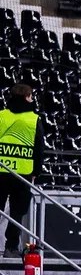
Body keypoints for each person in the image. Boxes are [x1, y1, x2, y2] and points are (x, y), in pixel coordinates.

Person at [0, 80, 41, 259]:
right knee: (17, 213)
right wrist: (36, 171)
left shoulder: (1, 115)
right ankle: (11, 247)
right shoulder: (34, 119)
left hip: (0, 172)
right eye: (31, 96)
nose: (32, 100)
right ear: (26, 97)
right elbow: (39, 148)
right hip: (23, 174)